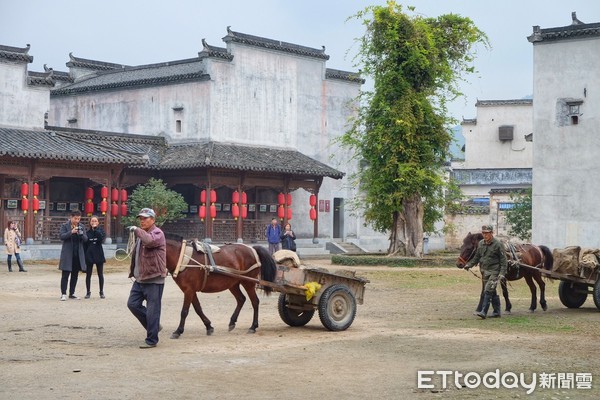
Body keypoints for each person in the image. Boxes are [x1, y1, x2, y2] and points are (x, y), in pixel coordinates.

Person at [127, 208, 167, 349]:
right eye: (140, 218)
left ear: (153, 220)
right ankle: (154, 325)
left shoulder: (157, 233)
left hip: (154, 278)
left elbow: (149, 242)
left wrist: (137, 230)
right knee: (132, 304)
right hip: (140, 279)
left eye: (145, 218)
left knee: (153, 310)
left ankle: (152, 340)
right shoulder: (141, 235)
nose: (142, 221)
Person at [464, 225, 507, 319]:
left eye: (487, 233)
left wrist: (502, 273)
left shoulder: (498, 244)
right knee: (493, 291)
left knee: (487, 290)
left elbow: (504, 261)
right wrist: (469, 265)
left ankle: (483, 311)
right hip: (485, 271)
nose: (485, 235)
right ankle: (497, 312)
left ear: (492, 233)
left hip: (495, 271)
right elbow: (477, 257)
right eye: (483, 233)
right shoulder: (481, 243)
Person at [58, 210, 88, 300]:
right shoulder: (65, 226)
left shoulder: (81, 226)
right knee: (65, 274)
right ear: (71, 217)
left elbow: (86, 239)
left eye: (79, 219)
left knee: (75, 274)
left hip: (77, 254)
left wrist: (81, 234)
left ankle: (72, 293)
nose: (77, 221)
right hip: (68, 253)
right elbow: (62, 236)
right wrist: (71, 232)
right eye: (75, 218)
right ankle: (63, 293)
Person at [84, 215, 106, 299]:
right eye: (92, 221)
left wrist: (96, 229)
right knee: (88, 275)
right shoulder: (87, 232)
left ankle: (101, 292)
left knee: (100, 274)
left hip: (98, 254)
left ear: (98, 222)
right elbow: (85, 244)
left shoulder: (101, 231)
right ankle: (88, 292)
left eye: (95, 221)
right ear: (90, 223)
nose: (93, 223)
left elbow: (100, 239)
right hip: (89, 255)